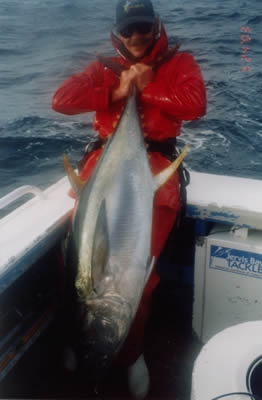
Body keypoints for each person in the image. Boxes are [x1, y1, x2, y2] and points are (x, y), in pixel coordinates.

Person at [52, 0, 206, 398]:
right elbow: (61, 100)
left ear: (155, 24)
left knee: (140, 276)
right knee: (74, 258)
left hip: (152, 167)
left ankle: (131, 353)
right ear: (116, 33)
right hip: (103, 167)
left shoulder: (180, 61)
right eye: (127, 30)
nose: (135, 37)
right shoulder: (102, 67)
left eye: (142, 27)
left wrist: (148, 86)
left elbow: (195, 105)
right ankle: (79, 336)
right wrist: (119, 87)